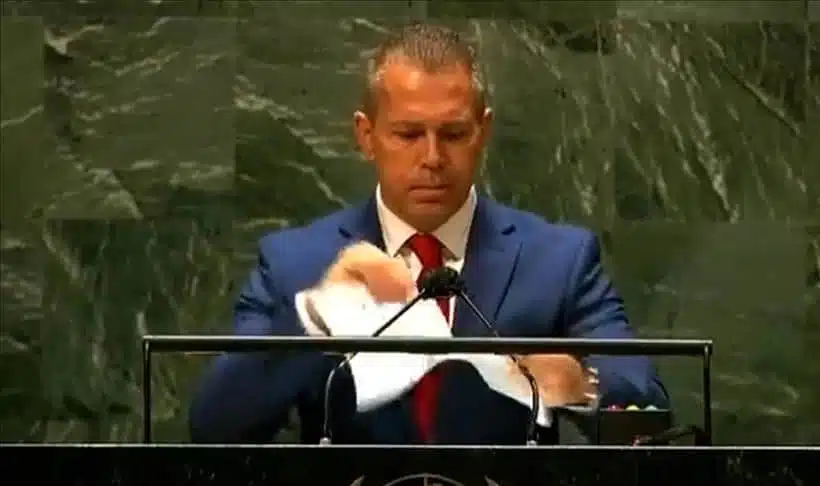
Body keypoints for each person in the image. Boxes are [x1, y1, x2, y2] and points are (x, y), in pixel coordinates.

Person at [189, 23, 669, 444]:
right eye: (408, 134)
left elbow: (647, 411)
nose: (433, 158)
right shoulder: (295, 264)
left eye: (454, 134)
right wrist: (321, 316)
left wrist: (582, 388)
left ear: (483, 132)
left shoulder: (560, 260)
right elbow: (215, 428)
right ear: (366, 136)